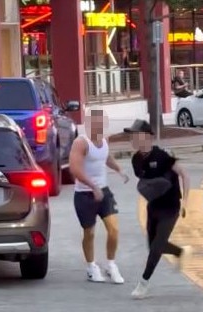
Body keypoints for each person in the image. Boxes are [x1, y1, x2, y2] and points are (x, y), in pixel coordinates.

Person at [123, 119, 192, 299]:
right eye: (131, 135)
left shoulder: (162, 156)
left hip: (170, 207)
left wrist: (185, 201)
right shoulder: (136, 160)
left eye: (135, 135)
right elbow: (145, 181)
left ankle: (143, 284)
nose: (132, 139)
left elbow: (184, 175)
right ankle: (180, 252)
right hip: (153, 206)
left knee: (156, 248)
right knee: (153, 246)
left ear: (146, 137)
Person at [69, 107, 129, 284]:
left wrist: (119, 169)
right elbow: (75, 168)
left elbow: (106, 157)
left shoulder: (104, 139)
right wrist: (92, 186)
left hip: (104, 191)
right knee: (90, 233)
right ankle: (91, 267)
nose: (100, 127)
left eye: (102, 123)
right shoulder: (81, 143)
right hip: (84, 194)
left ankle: (111, 265)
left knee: (114, 229)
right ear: (88, 125)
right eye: (96, 124)